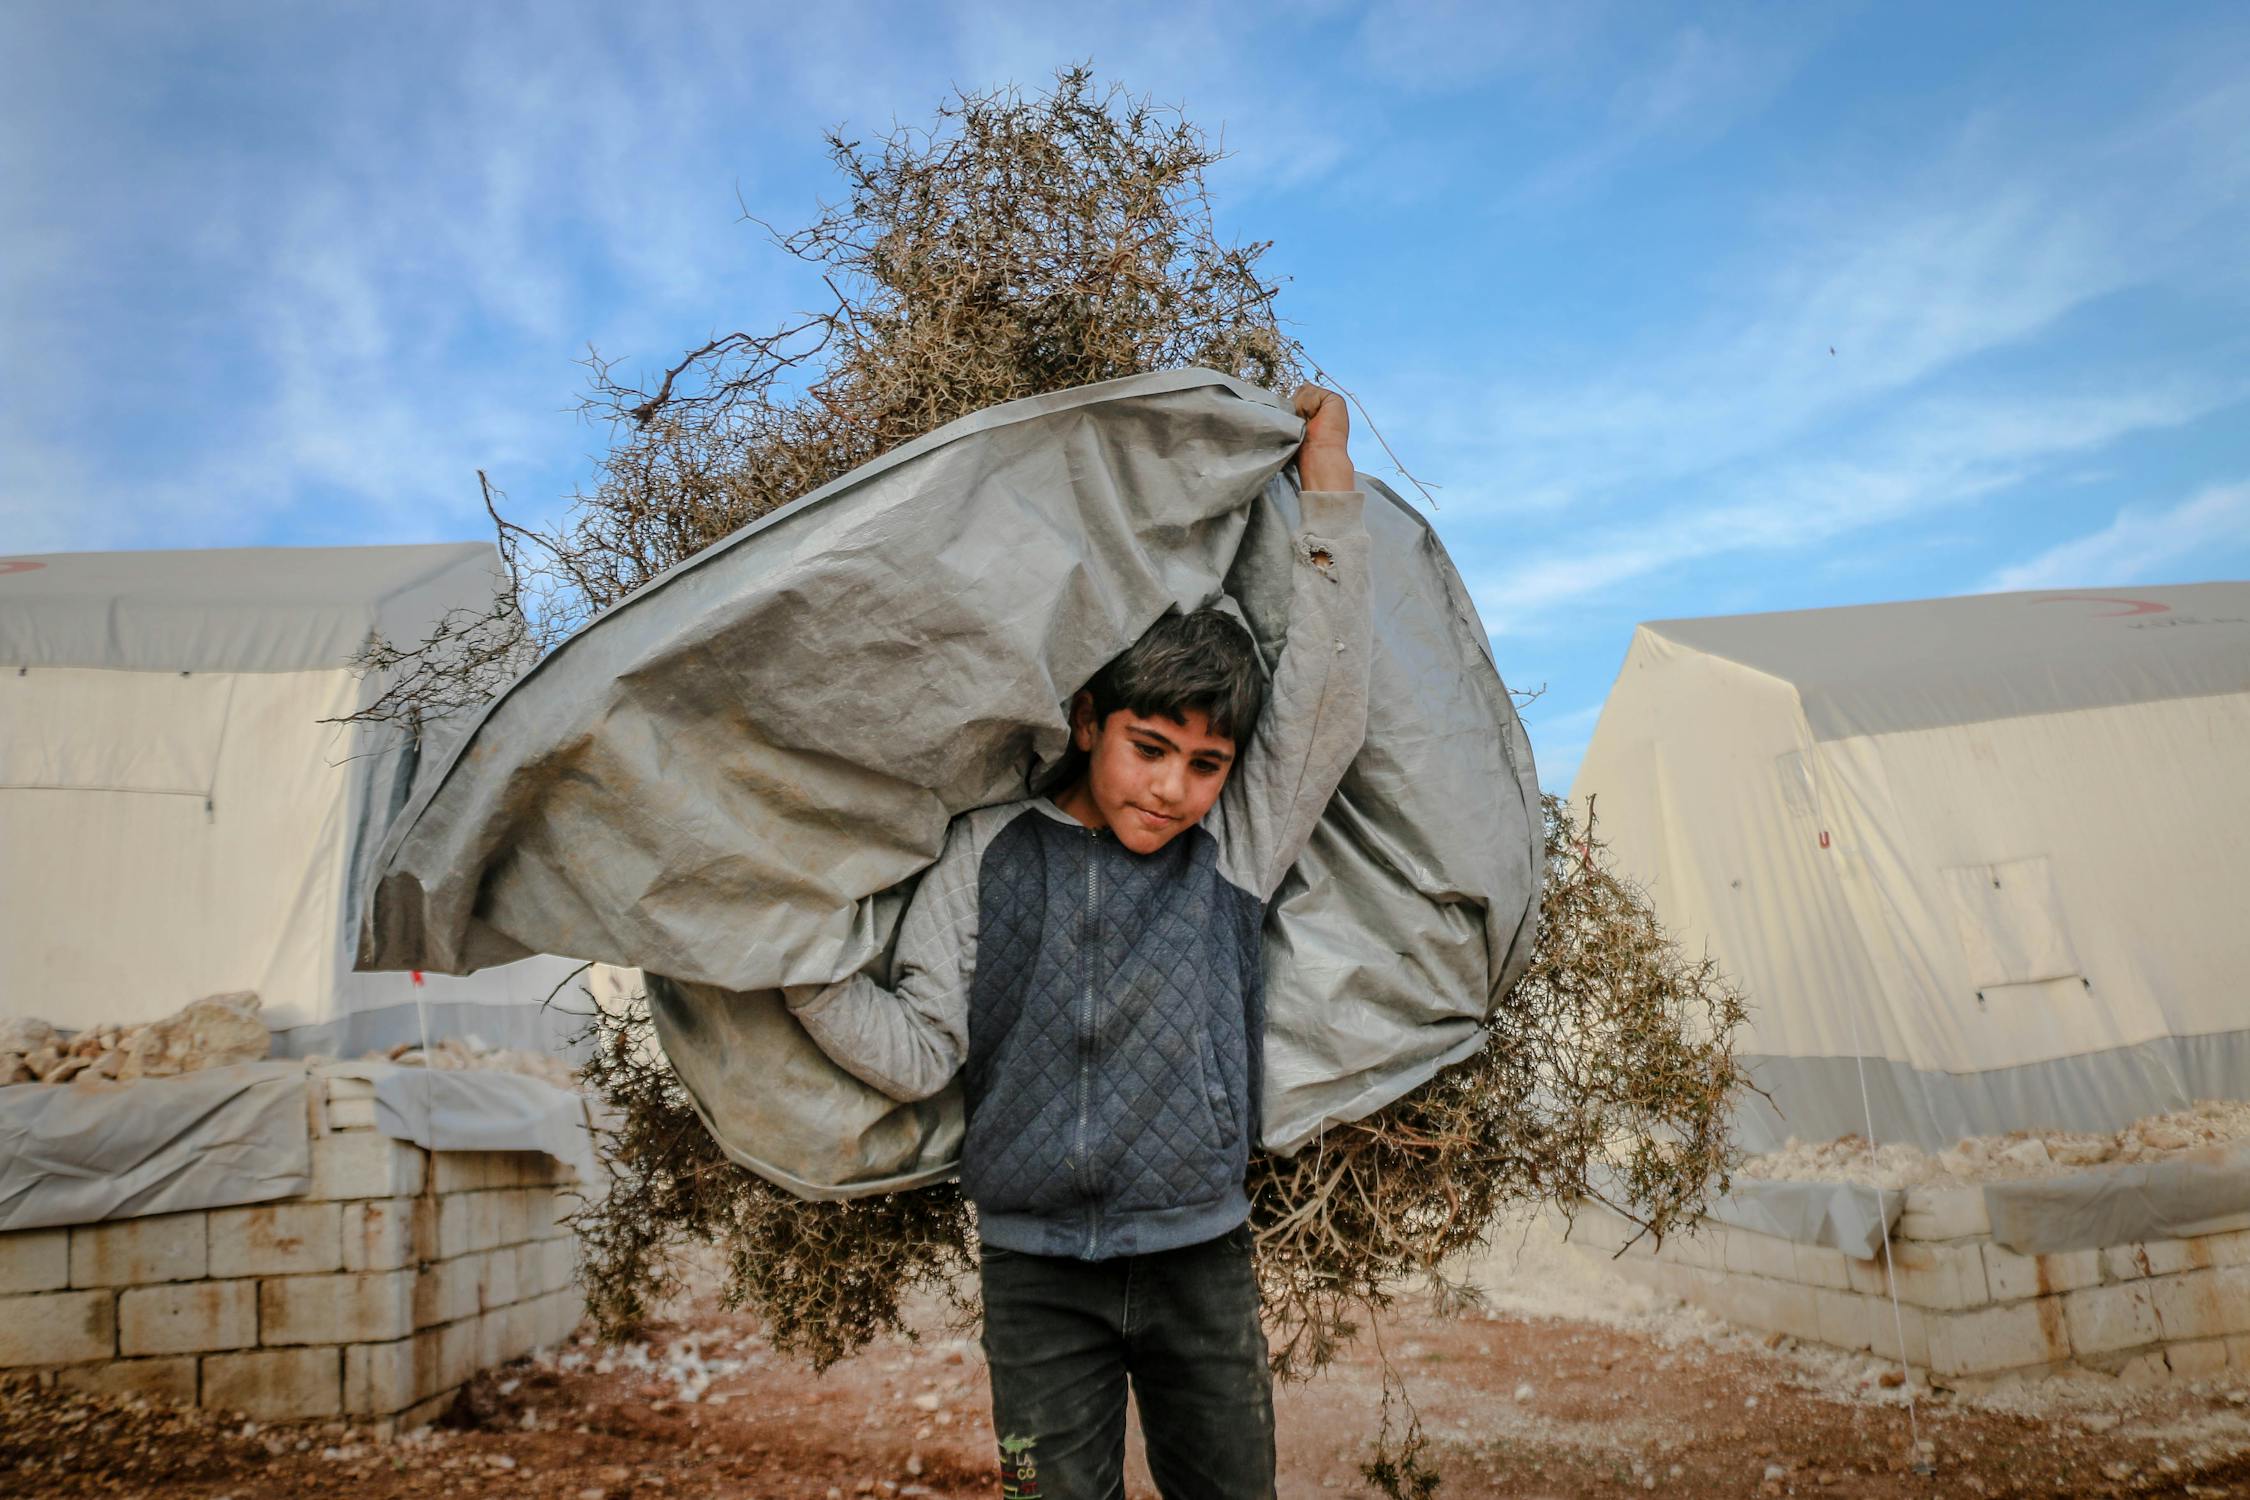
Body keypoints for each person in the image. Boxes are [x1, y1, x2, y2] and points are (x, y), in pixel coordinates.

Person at [786, 383, 1368, 1499]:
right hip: (1034, 1276)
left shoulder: (1233, 853)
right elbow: (920, 1051)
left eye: (1205, 765)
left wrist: (1327, 480)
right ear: (1091, 720)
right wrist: (799, 970)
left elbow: (1328, 695)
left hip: (1201, 1255)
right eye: (1150, 747)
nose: (1174, 789)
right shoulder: (988, 852)